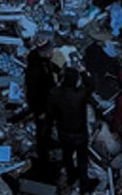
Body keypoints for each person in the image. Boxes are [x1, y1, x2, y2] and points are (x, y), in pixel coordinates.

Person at [49, 67, 94, 193]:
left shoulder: (55, 93)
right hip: (80, 134)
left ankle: (71, 177)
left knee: (67, 157)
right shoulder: (80, 94)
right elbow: (91, 86)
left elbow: (50, 113)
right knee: (82, 159)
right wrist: (83, 72)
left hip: (64, 134)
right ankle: (84, 183)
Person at [24, 38, 59, 166]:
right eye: (50, 51)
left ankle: (49, 142)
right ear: (44, 52)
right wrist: (39, 111)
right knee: (42, 129)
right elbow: (32, 94)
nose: (52, 53)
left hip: (47, 100)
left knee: (48, 124)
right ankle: (43, 154)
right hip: (41, 104)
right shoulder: (35, 71)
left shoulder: (42, 60)